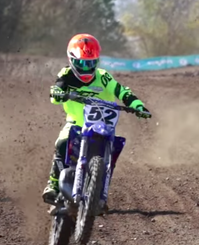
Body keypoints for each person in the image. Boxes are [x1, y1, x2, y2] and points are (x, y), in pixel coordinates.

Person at [42, 33, 151, 211]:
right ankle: (53, 185)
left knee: (113, 150)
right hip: (76, 123)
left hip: (102, 125)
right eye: (81, 64)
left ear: (97, 62)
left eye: (90, 63)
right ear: (71, 60)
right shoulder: (67, 74)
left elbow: (122, 91)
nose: (86, 68)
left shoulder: (103, 77)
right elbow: (58, 88)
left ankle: (100, 194)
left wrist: (138, 106)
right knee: (61, 142)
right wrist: (57, 92)